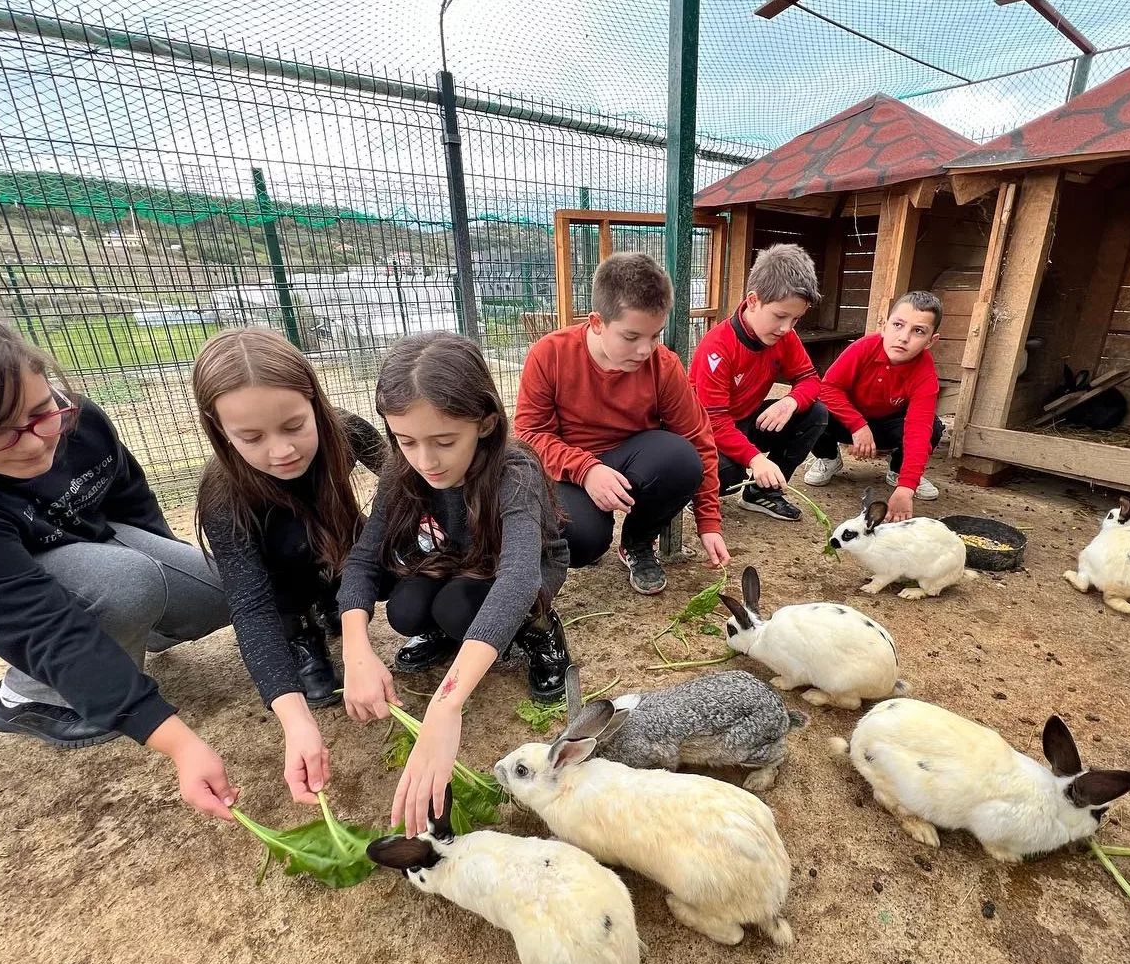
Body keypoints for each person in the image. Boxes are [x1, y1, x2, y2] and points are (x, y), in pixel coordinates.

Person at [0, 301, 235, 818]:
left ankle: (113, 646)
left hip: (59, 546)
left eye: (42, 411)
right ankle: (31, 695)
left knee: (218, 590)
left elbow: (127, 496)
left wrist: (167, 573)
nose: (38, 439)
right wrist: (177, 741)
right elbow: (25, 614)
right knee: (123, 585)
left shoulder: (75, 419)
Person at [334, 332, 570, 837]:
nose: (426, 460)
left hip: (519, 568)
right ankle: (456, 638)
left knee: (468, 608)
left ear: (484, 423)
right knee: (405, 610)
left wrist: (447, 702)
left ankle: (541, 634)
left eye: (444, 442)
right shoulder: (403, 471)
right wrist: (356, 650)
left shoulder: (515, 470)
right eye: (406, 441)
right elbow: (361, 562)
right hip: (455, 559)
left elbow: (518, 577)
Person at [192, 328, 386, 806]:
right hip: (276, 578)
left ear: (315, 404)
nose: (281, 451)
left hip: (341, 548)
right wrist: (296, 720)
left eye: (295, 426)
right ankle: (300, 632)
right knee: (284, 560)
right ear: (220, 431)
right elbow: (249, 606)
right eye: (252, 438)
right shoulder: (222, 495)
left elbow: (402, 476)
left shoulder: (346, 431)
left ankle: (331, 606)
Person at [514, 252, 730, 595]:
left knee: (682, 459)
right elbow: (529, 434)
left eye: (655, 335)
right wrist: (585, 469)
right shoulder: (549, 354)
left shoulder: (664, 366)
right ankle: (592, 532)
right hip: (572, 468)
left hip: (634, 459)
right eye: (631, 337)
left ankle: (638, 542)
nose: (645, 350)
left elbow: (698, 438)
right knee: (584, 542)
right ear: (597, 322)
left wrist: (709, 521)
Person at [689, 242, 828, 521]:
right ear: (753, 301)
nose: (787, 328)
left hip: (745, 419)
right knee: (730, 472)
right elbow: (713, 422)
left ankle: (762, 492)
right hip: (705, 431)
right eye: (780, 316)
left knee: (815, 413)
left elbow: (810, 380)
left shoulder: (784, 336)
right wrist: (756, 459)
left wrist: (791, 401)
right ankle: (697, 492)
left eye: (796, 319)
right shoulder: (718, 347)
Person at [805, 291, 946, 522]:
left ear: (931, 340)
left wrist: (906, 488)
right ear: (884, 325)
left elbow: (918, 429)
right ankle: (828, 458)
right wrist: (858, 425)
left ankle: (899, 472)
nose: (903, 337)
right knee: (813, 409)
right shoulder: (863, 348)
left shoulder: (925, 374)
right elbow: (828, 388)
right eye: (898, 325)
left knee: (933, 427)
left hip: (888, 427)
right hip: (850, 423)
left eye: (918, 331)